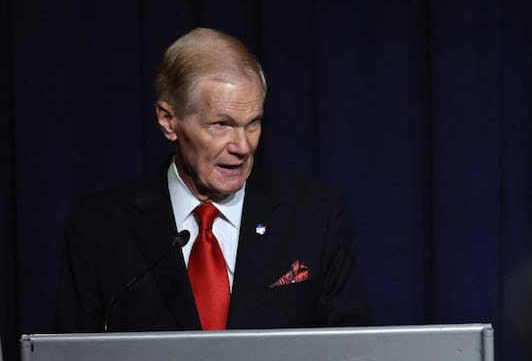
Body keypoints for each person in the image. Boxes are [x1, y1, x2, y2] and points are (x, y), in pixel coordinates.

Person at [53, 27, 371, 332]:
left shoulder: (315, 215)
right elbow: (71, 359)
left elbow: (355, 351)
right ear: (168, 121)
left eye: (253, 123)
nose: (242, 146)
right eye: (221, 125)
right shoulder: (100, 227)